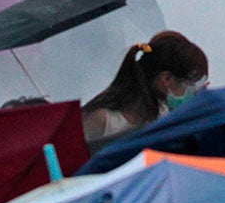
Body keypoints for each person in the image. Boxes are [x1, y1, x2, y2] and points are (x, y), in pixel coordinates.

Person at [81, 31, 209, 144]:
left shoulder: (163, 114)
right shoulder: (101, 119)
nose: (195, 93)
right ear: (167, 79)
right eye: (193, 85)